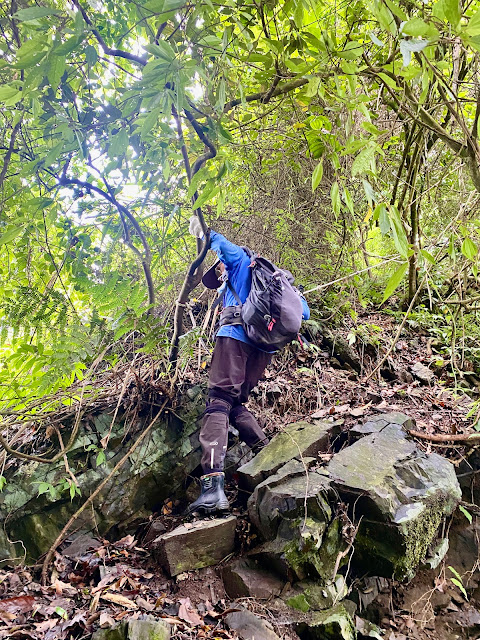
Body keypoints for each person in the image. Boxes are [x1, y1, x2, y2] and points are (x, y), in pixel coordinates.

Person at [187, 217, 310, 515]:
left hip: (234, 340)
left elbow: (224, 247)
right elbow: (303, 313)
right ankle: (267, 457)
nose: (218, 276)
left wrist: (205, 232)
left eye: (218, 270)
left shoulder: (240, 262)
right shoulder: (275, 283)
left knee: (218, 401)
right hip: (261, 350)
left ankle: (212, 488)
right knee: (236, 403)